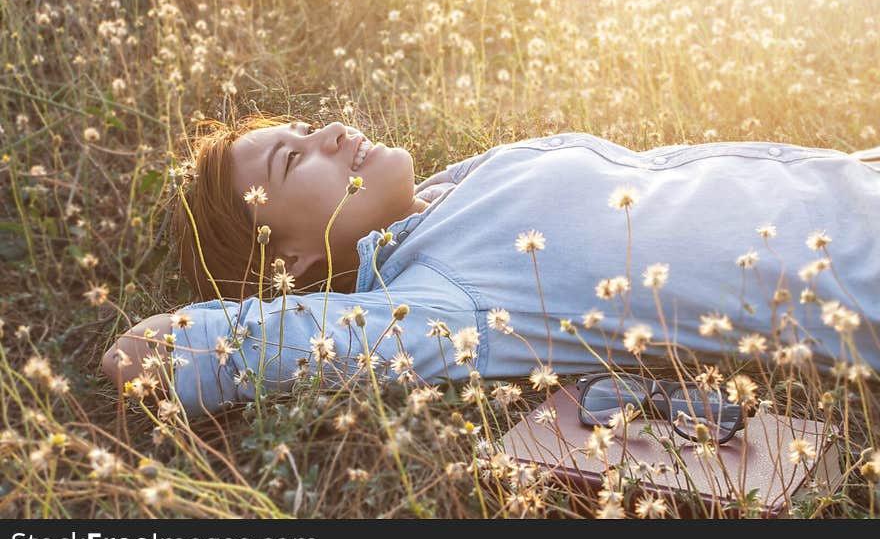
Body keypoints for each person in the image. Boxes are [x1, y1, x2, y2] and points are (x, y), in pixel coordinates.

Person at [102, 116, 880, 418]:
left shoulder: (451, 192)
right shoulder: (444, 302)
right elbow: (148, 355)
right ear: (294, 259)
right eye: (295, 155)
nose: (334, 130)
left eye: (305, 125)